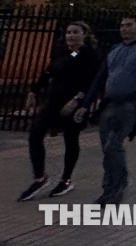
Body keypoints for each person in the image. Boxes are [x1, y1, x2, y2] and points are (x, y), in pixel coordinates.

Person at [75, 16, 136, 205]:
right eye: (122, 25)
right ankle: (110, 186)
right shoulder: (114, 50)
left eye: (129, 25)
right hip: (110, 103)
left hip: (130, 104)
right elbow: (101, 77)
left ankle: (117, 186)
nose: (124, 29)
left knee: (113, 145)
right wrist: (86, 104)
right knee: (107, 148)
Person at [17, 22, 102, 201]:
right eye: (68, 32)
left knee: (70, 138)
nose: (71, 36)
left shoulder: (90, 55)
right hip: (54, 100)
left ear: (84, 34)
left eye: (75, 32)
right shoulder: (63, 52)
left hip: (75, 103)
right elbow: (49, 71)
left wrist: (77, 100)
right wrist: (34, 90)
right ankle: (40, 177)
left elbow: (93, 82)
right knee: (35, 134)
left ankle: (66, 179)